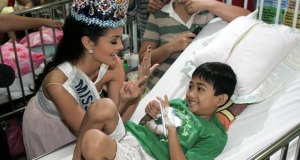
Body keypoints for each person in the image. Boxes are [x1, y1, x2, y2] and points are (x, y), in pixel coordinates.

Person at [22, 0, 157, 160]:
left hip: (86, 127)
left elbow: (115, 125)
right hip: (49, 127)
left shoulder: (114, 66)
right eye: (113, 41)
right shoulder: (58, 83)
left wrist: (134, 93)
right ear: (88, 43)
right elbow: (92, 131)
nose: (120, 47)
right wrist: (122, 104)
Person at [73, 62, 237, 159]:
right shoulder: (178, 104)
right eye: (190, 86)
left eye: (200, 89)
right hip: (129, 138)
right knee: (104, 105)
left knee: (93, 141)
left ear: (220, 99)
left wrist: (171, 127)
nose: (191, 93)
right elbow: (145, 127)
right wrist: (149, 115)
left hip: (147, 156)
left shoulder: (214, 135)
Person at [139, 0, 249, 93]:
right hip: (159, 89)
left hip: (197, 94)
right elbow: (143, 58)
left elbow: (248, 18)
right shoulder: (159, 15)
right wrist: (171, 47)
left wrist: (209, 4)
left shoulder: (210, 14)